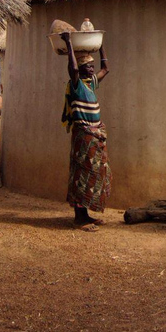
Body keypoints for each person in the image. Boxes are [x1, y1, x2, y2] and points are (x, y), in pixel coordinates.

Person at [61, 33, 112, 232]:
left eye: (92, 66)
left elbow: (106, 68)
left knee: (95, 174)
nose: (91, 69)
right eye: (87, 67)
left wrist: (101, 45)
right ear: (80, 70)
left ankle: (85, 214)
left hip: (97, 135)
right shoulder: (76, 85)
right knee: (82, 174)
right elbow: (72, 68)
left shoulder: (91, 83)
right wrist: (68, 44)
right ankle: (79, 219)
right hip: (84, 136)